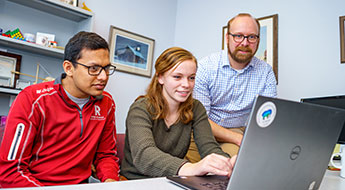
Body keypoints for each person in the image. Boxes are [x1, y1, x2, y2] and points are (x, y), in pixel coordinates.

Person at [0, 31, 120, 187]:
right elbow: (10, 171)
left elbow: (106, 155)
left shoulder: (106, 103)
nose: (103, 76)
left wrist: (111, 182)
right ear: (69, 68)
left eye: (106, 68)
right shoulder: (32, 99)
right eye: (94, 68)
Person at [120, 47, 237, 179]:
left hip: (170, 180)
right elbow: (144, 155)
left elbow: (209, 147)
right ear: (160, 77)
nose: (186, 84)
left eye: (191, 78)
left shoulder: (196, 108)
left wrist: (226, 164)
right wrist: (191, 168)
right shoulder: (140, 109)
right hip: (135, 181)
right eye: (177, 77)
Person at [186, 13, 277, 162]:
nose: (245, 43)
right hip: (202, 129)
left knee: (235, 168)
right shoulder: (205, 67)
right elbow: (200, 118)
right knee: (191, 175)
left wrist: (244, 138)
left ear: (258, 40)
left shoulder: (266, 72)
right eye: (238, 36)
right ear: (227, 38)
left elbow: (265, 119)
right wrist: (238, 138)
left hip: (239, 131)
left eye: (252, 37)